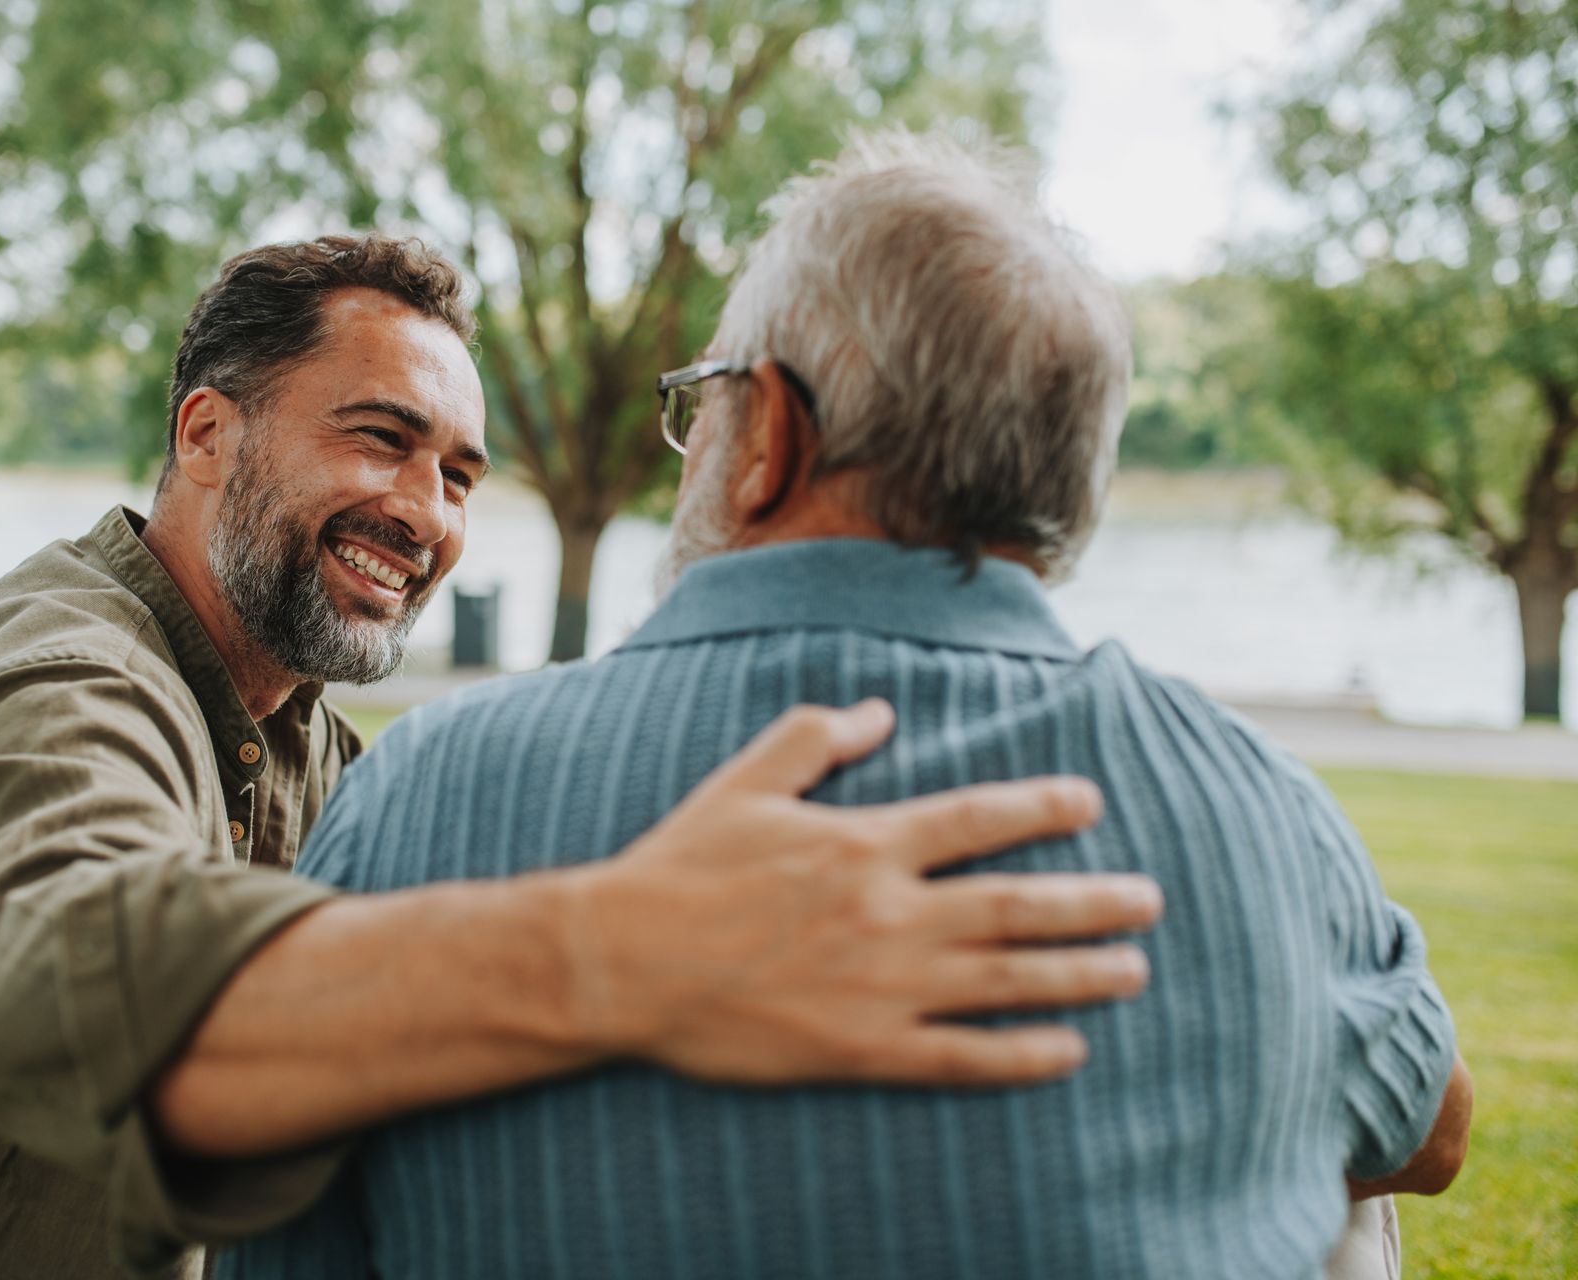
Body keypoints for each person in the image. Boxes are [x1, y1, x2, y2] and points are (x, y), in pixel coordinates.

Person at [0, 235, 1167, 1279]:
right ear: (205, 434)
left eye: (461, 475)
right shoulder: (55, 680)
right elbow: (86, 974)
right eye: (383, 440)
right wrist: (636, 950)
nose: (424, 514)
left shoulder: (306, 739)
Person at [227, 132, 1472, 1280]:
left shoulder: (421, 792)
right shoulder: (1258, 805)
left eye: (704, 395)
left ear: (769, 434)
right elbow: (1436, 1117)